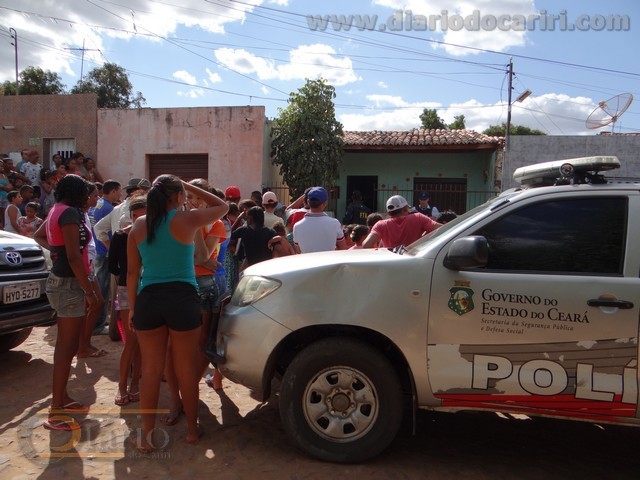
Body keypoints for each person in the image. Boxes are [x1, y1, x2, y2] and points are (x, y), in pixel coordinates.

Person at [126, 175, 228, 453]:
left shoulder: (139, 225)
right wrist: (187, 184)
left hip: (149, 300)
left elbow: (133, 273)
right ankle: (193, 431)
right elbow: (222, 206)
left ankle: (146, 437)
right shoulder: (186, 220)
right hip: (182, 299)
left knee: (150, 371)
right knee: (186, 369)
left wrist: (133, 308)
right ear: (179, 196)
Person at [33, 174, 99, 431]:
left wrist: (56, 252)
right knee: (65, 347)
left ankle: (62, 399)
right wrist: (89, 292)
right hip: (69, 284)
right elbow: (73, 257)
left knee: (67, 347)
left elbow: (42, 236)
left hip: (65, 282)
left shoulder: (57, 209)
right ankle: (56, 411)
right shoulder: (69, 212)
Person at [109, 196, 146, 406]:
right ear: (130, 216)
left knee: (140, 342)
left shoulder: (153, 235)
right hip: (127, 288)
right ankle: (123, 385)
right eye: (135, 216)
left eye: (143, 216)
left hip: (146, 289)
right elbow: (112, 266)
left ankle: (134, 384)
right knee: (131, 341)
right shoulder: (121, 236)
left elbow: (113, 267)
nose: (138, 220)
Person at [362, 195, 441, 249]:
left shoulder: (381, 225)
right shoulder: (418, 218)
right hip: (413, 262)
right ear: (405, 209)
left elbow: (366, 245)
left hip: (391, 264)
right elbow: (442, 229)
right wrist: (423, 237)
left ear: (389, 213)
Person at [293, 187, 347, 253]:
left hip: (307, 260)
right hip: (329, 259)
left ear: (308, 202)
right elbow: (343, 249)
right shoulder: (335, 223)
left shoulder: (297, 226)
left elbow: (298, 251)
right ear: (325, 203)